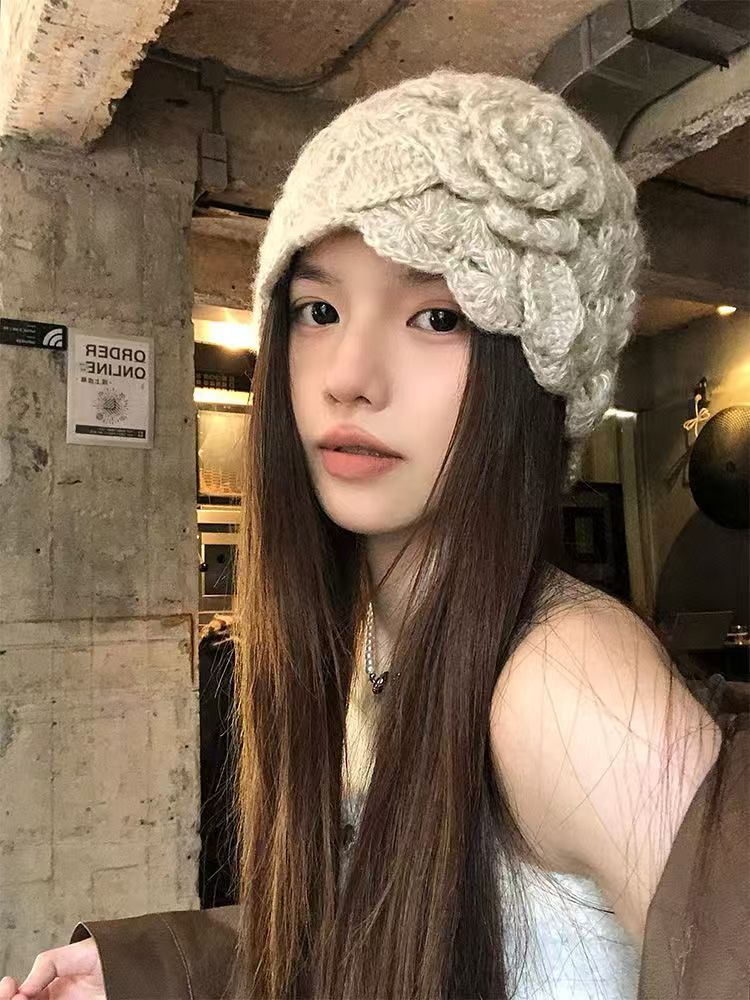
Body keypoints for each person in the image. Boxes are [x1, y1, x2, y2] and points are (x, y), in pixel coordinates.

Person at [2, 69, 748, 1000]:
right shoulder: (364, 633)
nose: (347, 375)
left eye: (437, 316)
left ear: (537, 372)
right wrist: (152, 970)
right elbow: (385, 918)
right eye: (319, 312)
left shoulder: (563, 679)